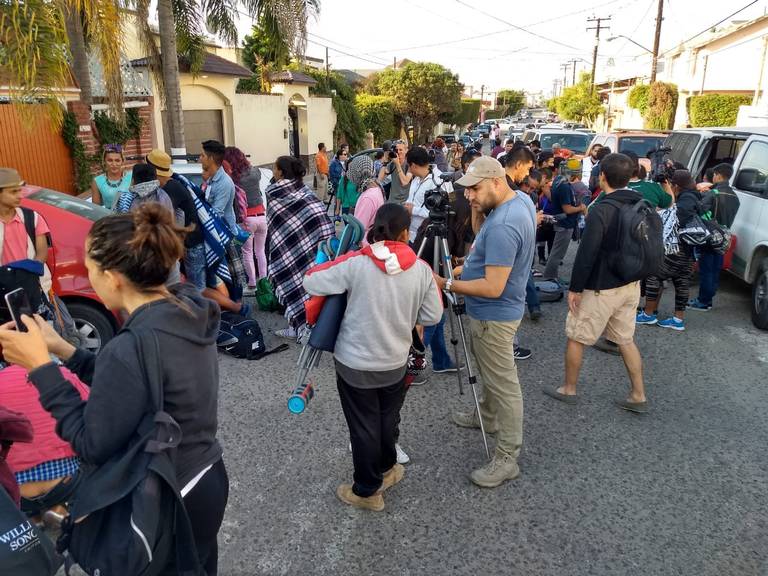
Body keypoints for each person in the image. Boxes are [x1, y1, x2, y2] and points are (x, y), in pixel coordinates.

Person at [0, 204, 229, 573]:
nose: (90, 279)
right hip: (205, 475)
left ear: (113, 277)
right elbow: (132, 383)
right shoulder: (183, 310)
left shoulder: (133, 344)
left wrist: (41, 368)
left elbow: (91, 443)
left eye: (91, 270)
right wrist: (65, 351)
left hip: (168, 494)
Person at [303, 203, 442, 511]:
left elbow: (311, 280)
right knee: (386, 418)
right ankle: (388, 468)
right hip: (394, 361)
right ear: (406, 233)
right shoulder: (421, 270)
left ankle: (367, 491)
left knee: (363, 425)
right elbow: (432, 314)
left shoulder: (356, 264)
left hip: (355, 363)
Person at [436, 154, 536, 488]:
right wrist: (479, 213)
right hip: (497, 312)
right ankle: (488, 417)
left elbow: (494, 287)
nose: (468, 197)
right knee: (491, 375)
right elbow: (483, 241)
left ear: (496, 181)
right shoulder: (518, 200)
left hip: (494, 314)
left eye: (474, 190)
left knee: (504, 385)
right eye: (466, 191)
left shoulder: (506, 225)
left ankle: (507, 457)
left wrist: (446, 283)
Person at [543, 153, 647, 413]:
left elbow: (587, 253)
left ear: (602, 177)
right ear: (630, 177)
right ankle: (638, 394)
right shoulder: (640, 203)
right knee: (625, 339)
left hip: (602, 286)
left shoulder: (602, 208)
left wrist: (575, 288)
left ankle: (569, 388)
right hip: (630, 283)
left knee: (577, 336)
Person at [267, 156, 335, 339]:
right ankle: (299, 326)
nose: (273, 171)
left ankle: (304, 326)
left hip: (307, 245)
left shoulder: (275, 193)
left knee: (304, 284)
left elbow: (314, 215)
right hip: (303, 245)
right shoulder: (300, 189)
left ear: (281, 171)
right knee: (303, 283)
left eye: (275, 167)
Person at [637, 170, 703, 331]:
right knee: (682, 282)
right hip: (687, 250)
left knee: (654, 276)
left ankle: (648, 314)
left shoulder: (686, 199)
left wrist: (662, 212)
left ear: (676, 186)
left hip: (675, 249)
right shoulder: (696, 196)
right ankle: (678, 319)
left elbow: (679, 216)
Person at [689, 163, 741, 311]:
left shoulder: (712, 193)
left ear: (717, 175)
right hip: (725, 236)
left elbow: (698, 210)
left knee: (706, 269)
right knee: (715, 269)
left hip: (710, 236)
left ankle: (703, 301)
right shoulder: (734, 196)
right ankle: (708, 299)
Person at [223, 147, 268, 290]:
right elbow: (257, 173)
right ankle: (264, 280)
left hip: (247, 218)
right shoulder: (255, 172)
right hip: (261, 216)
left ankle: (252, 283)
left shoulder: (233, 177)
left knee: (247, 252)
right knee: (260, 251)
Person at [542, 161, 587, 282]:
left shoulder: (557, 180)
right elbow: (567, 209)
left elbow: (549, 193)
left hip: (561, 221)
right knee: (557, 254)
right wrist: (581, 207)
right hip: (565, 223)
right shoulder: (565, 186)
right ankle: (550, 277)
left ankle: (552, 276)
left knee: (556, 252)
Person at [0, 168, 48, 266]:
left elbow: (42, 252)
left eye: (20, 191)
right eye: (13, 192)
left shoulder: (33, 218)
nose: (20, 196)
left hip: (32, 279)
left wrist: (30, 271)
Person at [404, 147, 444, 243]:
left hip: (429, 237)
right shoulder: (416, 180)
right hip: (412, 235)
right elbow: (411, 200)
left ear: (413, 165)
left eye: (408, 166)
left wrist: (413, 210)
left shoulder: (439, 180)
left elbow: (441, 211)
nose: (408, 170)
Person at [346, 155, 385, 245]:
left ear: (357, 173)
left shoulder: (367, 197)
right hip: (372, 241)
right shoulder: (376, 187)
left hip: (365, 245)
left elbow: (358, 229)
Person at [201, 140, 237, 233]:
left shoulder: (224, 182)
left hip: (225, 234)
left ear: (211, 159)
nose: (200, 159)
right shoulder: (211, 180)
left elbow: (217, 212)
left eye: (202, 156)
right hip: (217, 231)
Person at [90, 144, 132, 209]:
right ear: (104, 161)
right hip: (110, 217)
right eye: (110, 160)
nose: (114, 164)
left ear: (122, 161)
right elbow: (96, 209)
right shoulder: (97, 181)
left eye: (117, 160)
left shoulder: (131, 177)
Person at [379, 140, 412, 205]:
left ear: (406, 151)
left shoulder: (409, 165)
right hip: (392, 201)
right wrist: (385, 162)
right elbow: (380, 179)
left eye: (401, 150)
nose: (398, 152)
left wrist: (397, 164)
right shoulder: (392, 164)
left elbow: (404, 182)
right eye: (396, 150)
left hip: (405, 202)